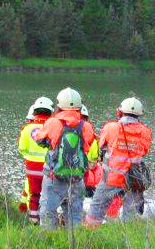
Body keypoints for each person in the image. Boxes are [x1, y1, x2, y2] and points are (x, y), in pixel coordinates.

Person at [34, 88, 99, 229]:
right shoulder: (86, 126)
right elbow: (90, 143)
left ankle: (48, 240)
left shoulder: (52, 123)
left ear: (59, 105)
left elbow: (39, 140)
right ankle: (74, 243)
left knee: (48, 211)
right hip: (76, 178)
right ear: (79, 106)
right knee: (74, 213)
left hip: (53, 177)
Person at [86, 97, 152, 225]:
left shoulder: (111, 127)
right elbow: (144, 151)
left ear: (120, 112)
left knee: (95, 211)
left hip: (111, 178)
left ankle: (89, 234)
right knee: (131, 217)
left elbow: (101, 146)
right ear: (139, 114)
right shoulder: (145, 132)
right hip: (134, 180)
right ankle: (128, 239)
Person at [18, 96, 53, 225]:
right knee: (48, 194)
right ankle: (48, 221)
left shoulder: (26, 129)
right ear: (50, 112)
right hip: (48, 169)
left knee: (34, 194)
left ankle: (34, 221)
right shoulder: (53, 127)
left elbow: (22, 148)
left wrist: (29, 156)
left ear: (35, 112)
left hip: (31, 169)